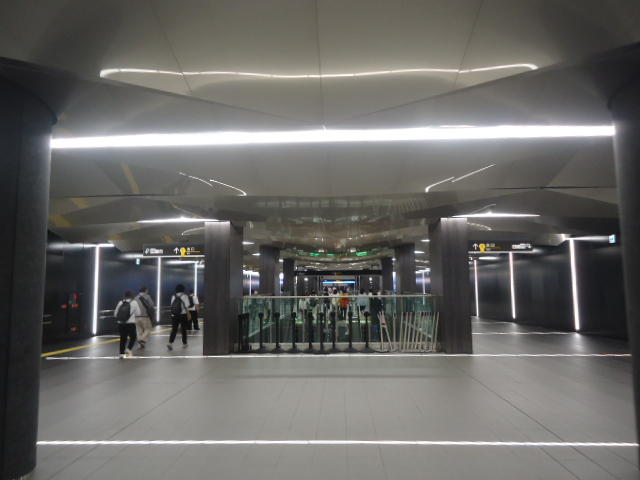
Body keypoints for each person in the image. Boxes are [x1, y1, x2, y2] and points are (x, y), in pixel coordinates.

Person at [114, 290, 141, 357]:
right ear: (132, 295)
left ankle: (121, 353)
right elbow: (138, 313)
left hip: (121, 323)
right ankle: (129, 349)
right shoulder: (134, 302)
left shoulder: (120, 302)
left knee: (123, 338)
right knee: (133, 337)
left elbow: (115, 314)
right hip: (130, 323)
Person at [167, 284, 190, 350]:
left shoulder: (173, 296)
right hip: (183, 315)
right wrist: (188, 313)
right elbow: (187, 305)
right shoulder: (185, 296)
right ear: (183, 289)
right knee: (183, 329)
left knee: (174, 329)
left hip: (174, 315)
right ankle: (184, 343)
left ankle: (170, 343)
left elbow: (171, 305)